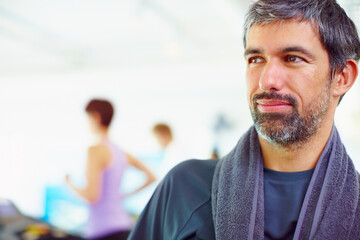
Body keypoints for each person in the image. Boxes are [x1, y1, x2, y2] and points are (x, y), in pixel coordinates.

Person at [128, 0, 360, 239]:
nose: (266, 81)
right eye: (256, 59)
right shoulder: (185, 188)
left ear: (342, 77)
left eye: (292, 58)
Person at [65, 99, 156, 240]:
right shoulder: (120, 152)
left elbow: (91, 196)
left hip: (103, 230)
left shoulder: (95, 150)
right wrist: (124, 195)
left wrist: (69, 183)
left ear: (96, 117)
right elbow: (151, 176)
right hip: (124, 226)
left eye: (88, 117)